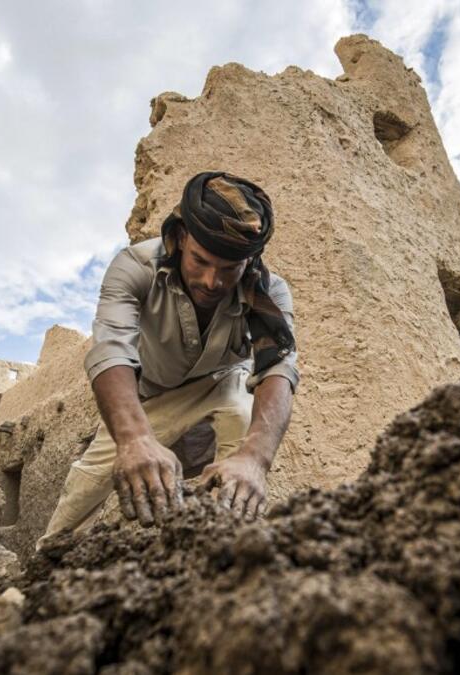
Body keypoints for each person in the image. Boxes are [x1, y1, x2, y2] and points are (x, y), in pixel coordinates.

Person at [38, 171, 299, 544]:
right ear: (179, 238)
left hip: (219, 385)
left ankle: (229, 549)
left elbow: (279, 369)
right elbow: (111, 350)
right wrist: (133, 438)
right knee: (83, 491)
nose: (212, 281)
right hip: (147, 396)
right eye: (200, 261)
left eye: (229, 270)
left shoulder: (268, 291)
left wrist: (256, 460)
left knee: (241, 414)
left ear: (250, 260)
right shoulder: (135, 267)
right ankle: (43, 570)